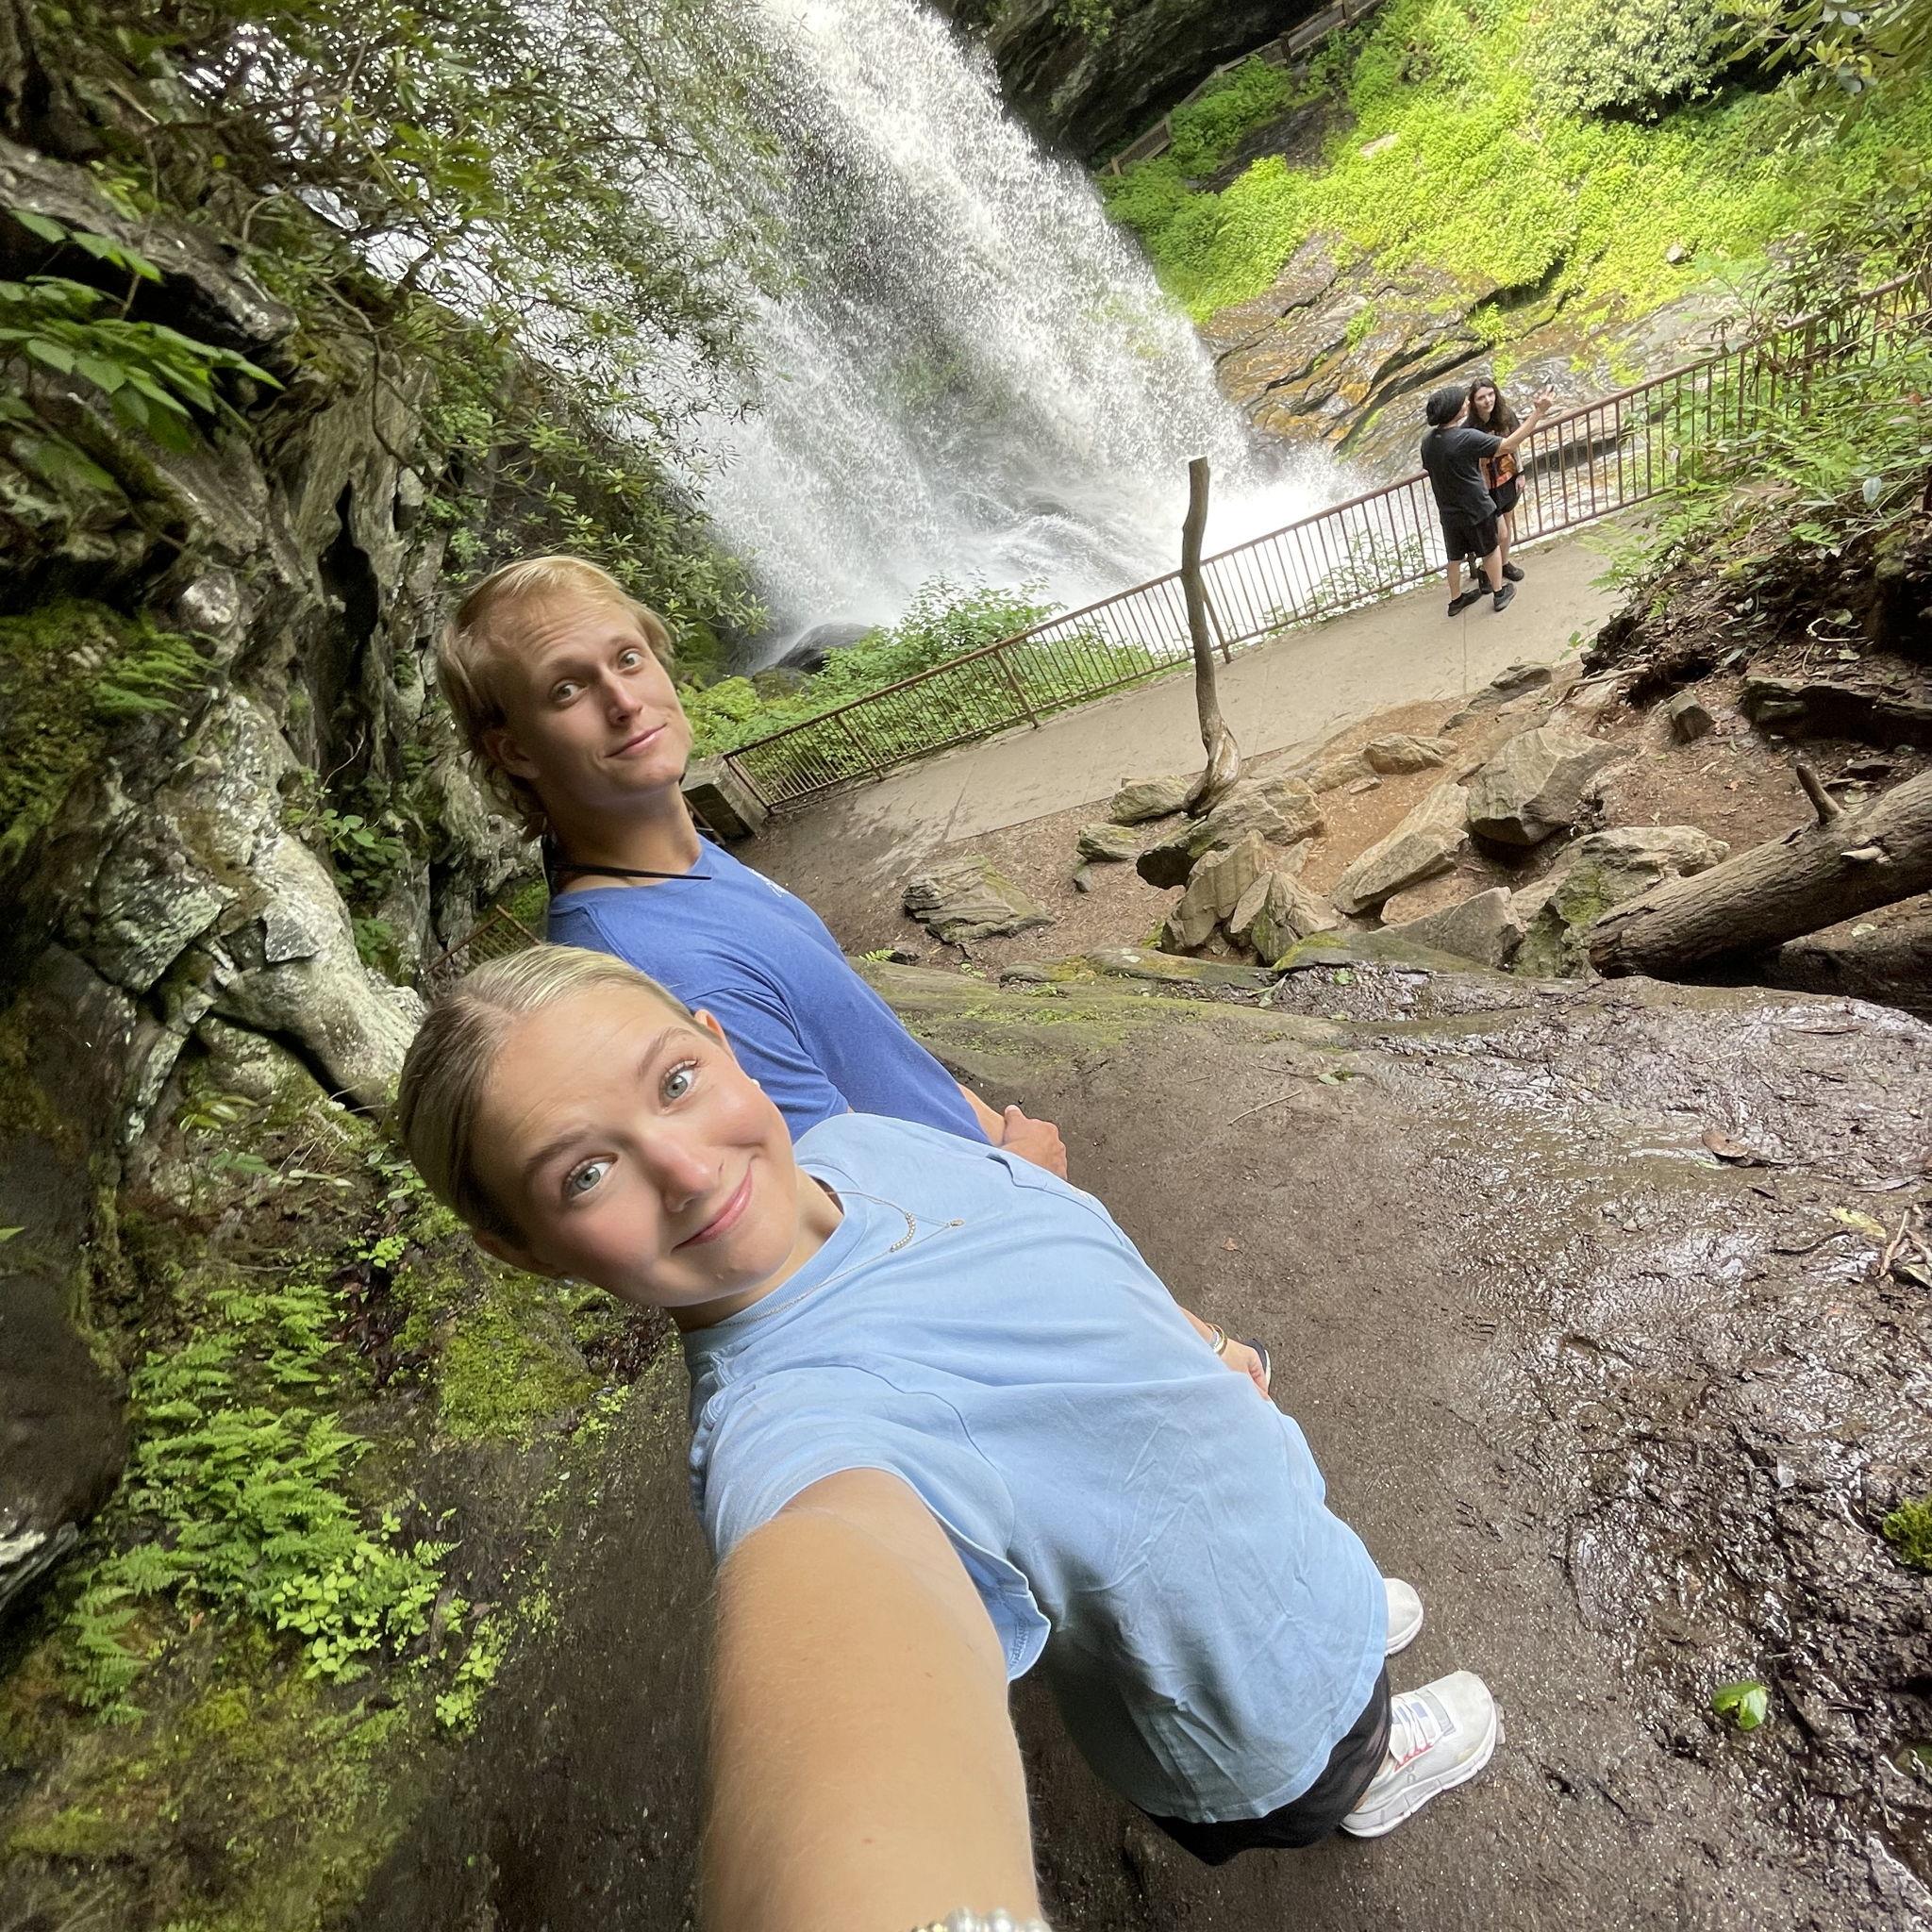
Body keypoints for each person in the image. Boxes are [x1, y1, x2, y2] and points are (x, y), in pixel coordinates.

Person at [396, 944, 1503, 1927]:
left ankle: (1339, 1617)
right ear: (526, 1249)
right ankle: (1367, 1774)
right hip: (1242, 1696)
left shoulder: (857, 1143)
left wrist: (1202, 1342)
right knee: (1329, 1755)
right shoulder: (789, 1429)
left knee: (1331, 1596)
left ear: (719, 1043)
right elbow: (841, 1625)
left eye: (675, 1080)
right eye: (585, 1174)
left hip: (1272, 1536)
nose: (686, 1169)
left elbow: (1054, 1253)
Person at [436, 555, 1271, 1394]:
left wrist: (998, 1138)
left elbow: (859, 1047)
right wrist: (1030, 1184)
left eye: (627, 658)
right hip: (1012, 1274)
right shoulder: (661, 965)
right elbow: (835, 1219)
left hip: (1028, 1215)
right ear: (515, 749)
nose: (622, 700)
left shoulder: (677, 863)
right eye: (567, 690)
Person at [1420, 382, 1554, 618]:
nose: (1467, 403)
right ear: (1454, 411)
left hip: (1448, 511)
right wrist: (1538, 412)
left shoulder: (1428, 441)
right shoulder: (1465, 437)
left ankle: (1456, 600)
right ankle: (1499, 592)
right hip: (1476, 506)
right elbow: (1509, 444)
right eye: (1463, 402)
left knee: (1454, 558)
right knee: (1491, 548)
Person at [1466, 376, 1524, 584]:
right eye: (1481, 397)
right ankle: (1486, 571)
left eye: (1491, 394)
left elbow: (1515, 445)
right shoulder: (1468, 429)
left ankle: (1504, 563)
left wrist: (1521, 473)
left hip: (1508, 478)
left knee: (1507, 523)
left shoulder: (1506, 415)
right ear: (1473, 402)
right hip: (1484, 487)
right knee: (1493, 533)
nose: (1488, 400)